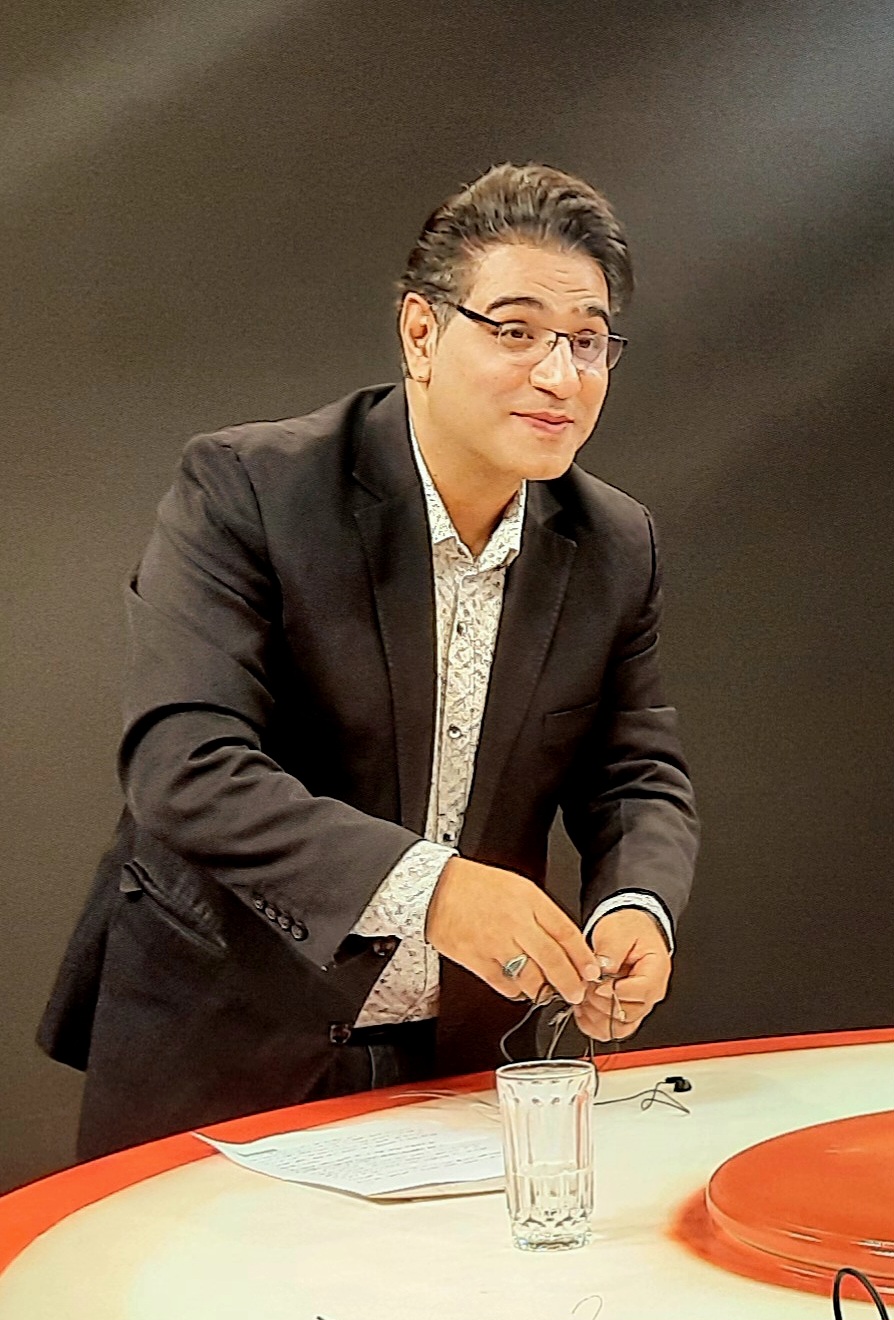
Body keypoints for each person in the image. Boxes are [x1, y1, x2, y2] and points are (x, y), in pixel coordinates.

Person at [39, 162, 699, 1160]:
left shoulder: (613, 542)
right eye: (515, 331)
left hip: (458, 1062)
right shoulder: (249, 489)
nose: (560, 376)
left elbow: (634, 774)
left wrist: (634, 906)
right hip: (224, 1043)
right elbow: (185, 763)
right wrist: (435, 890)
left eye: (587, 340)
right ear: (421, 333)